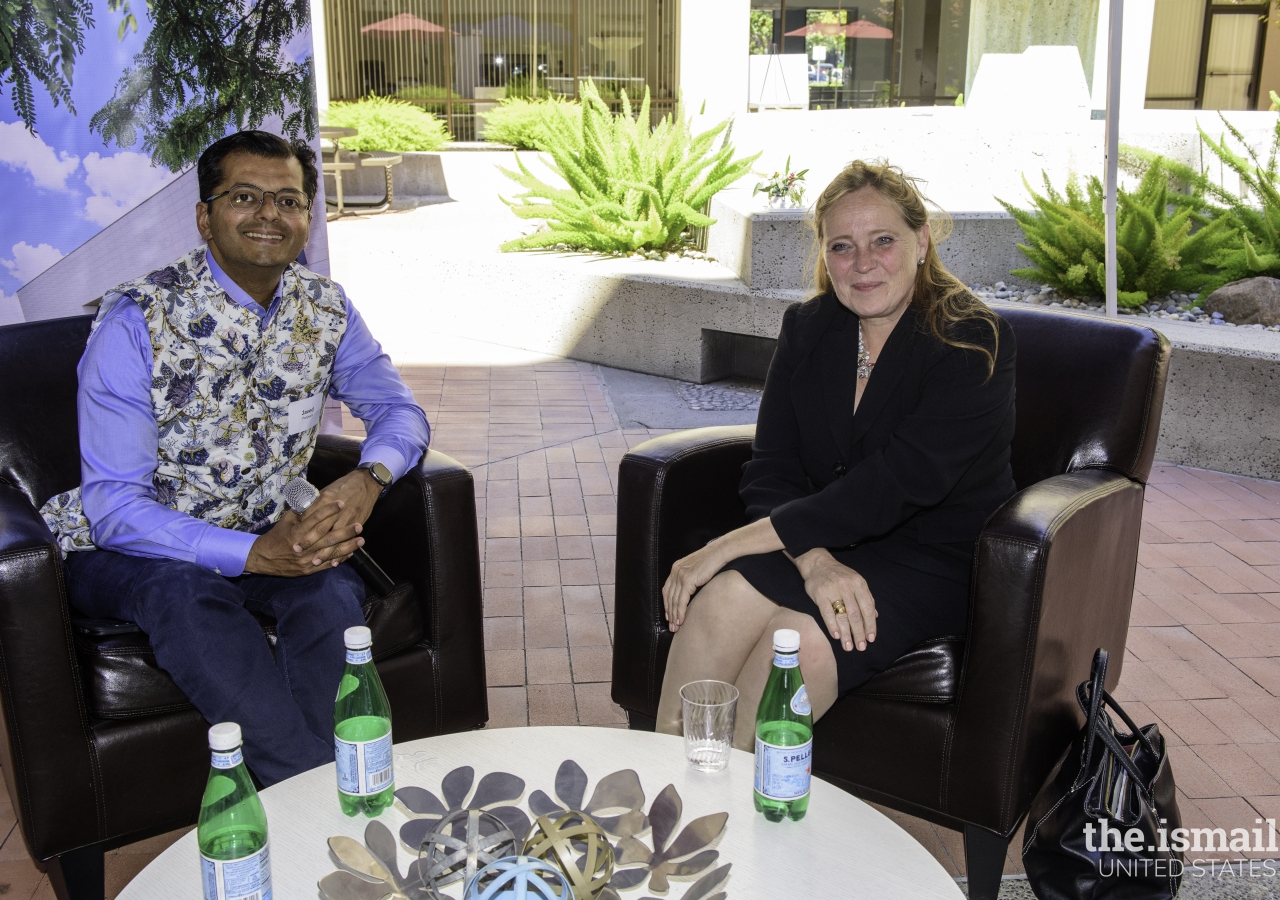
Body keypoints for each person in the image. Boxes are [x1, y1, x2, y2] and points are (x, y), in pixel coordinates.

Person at [39, 130, 431, 786]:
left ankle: (351, 787)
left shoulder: (323, 310)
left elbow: (400, 412)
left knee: (330, 584)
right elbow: (112, 509)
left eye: (288, 200)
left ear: (309, 217)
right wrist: (252, 556)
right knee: (185, 596)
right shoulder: (137, 321)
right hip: (126, 551)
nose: (269, 216)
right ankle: (325, 801)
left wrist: (369, 478)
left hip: (263, 532)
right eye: (244, 197)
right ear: (205, 215)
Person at [655, 160, 1017, 751]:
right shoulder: (809, 328)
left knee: (797, 638)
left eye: (883, 241)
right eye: (842, 246)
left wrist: (722, 548)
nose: (863, 263)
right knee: (721, 599)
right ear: (824, 255)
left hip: (930, 559)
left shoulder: (972, 341)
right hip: (819, 539)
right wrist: (813, 558)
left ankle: (731, 813)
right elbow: (772, 467)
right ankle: (663, 780)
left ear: (922, 240)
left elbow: (895, 485)